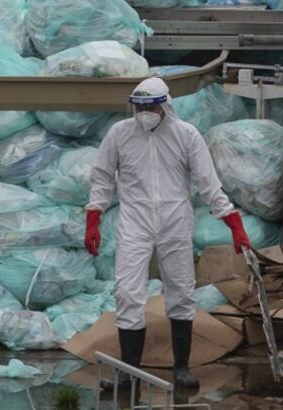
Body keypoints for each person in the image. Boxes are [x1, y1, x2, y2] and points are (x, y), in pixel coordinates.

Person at [85, 77, 250, 391]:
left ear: (164, 105)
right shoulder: (120, 134)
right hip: (135, 218)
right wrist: (93, 219)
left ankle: (181, 368)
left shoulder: (185, 135)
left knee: (181, 291)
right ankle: (128, 373)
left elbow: (208, 183)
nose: (144, 112)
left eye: (150, 106)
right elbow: (102, 176)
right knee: (127, 292)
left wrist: (234, 225)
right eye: (139, 106)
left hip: (175, 219)